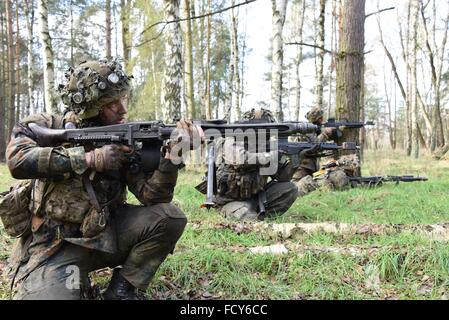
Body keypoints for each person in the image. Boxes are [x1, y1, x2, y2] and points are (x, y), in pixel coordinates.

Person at [4, 58, 200, 300]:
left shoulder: (123, 135)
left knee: (169, 217)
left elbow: (153, 196)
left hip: (103, 237)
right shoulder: (48, 125)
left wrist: (173, 157)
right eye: (111, 103)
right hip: (53, 248)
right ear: (92, 107)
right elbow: (17, 160)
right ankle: (66, 280)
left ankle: (122, 290)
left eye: (122, 99)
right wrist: (89, 159)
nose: (123, 109)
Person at [209, 108, 299, 221]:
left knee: (290, 189)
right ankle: (251, 217)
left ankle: (260, 216)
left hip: (257, 198)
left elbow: (283, 178)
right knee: (247, 217)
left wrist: (296, 158)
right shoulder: (231, 139)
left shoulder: (268, 146)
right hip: (230, 201)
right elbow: (240, 160)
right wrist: (270, 156)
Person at [295, 154, 360, 197]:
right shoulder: (339, 174)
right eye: (352, 163)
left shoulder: (334, 171)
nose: (355, 166)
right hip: (302, 188)